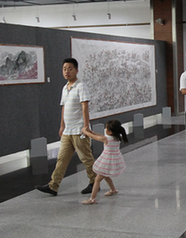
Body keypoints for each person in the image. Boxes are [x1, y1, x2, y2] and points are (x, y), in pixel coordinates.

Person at [36, 58, 96, 196]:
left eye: (70, 69)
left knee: (86, 158)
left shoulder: (81, 86)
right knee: (61, 159)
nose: (67, 71)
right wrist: (62, 126)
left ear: (76, 70)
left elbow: (85, 107)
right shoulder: (65, 88)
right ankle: (53, 186)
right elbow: (63, 108)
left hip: (79, 130)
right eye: (64, 69)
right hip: (68, 131)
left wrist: (86, 126)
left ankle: (94, 182)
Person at [80, 120, 127, 204]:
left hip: (107, 161)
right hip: (113, 160)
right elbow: (100, 136)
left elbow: (95, 137)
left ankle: (92, 199)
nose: (105, 130)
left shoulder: (106, 139)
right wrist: (91, 132)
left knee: (97, 179)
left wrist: (85, 131)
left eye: (106, 128)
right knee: (105, 176)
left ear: (110, 132)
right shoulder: (117, 137)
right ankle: (113, 190)